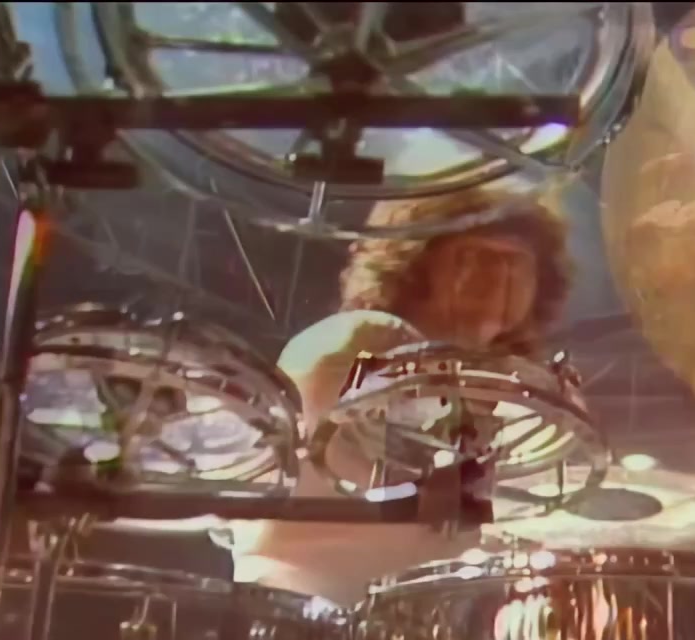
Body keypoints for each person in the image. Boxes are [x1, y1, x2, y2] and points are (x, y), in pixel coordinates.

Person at [231, 188, 574, 605]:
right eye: (475, 256)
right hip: (297, 604)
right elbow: (410, 467)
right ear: (414, 265)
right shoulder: (360, 337)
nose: (500, 276)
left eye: (518, 263)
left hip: (410, 618)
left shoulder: (505, 389)